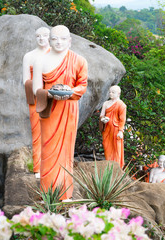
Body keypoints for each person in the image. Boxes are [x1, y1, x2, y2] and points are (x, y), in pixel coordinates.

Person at [33, 25, 88, 200]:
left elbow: (83, 85)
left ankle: (65, 193)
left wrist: (69, 92)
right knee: (48, 149)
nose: (59, 42)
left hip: (69, 109)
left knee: (66, 151)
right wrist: (50, 93)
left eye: (63, 38)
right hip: (49, 109)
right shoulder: (41, 60)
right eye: (55, 38)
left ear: (70, 41)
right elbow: (36, 89)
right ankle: (47, 193)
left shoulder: (79, 60)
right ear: (50, 40)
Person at [22, 27, 50, 178]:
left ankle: (52, 166)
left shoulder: (55, 54)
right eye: (38, 36)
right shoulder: (29, 56)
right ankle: (38, 167)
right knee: (37, 132)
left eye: (45, 35)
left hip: (52, 97)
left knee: (52, 131)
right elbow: (25, 79)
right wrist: (37, 89)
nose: (41, 38)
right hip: (35, 96)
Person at [100, 85, 127, 168]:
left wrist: (120, 131)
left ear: (118, 93)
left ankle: (117, 168)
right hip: (107, 128)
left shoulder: (121, 105)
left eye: (113, 92)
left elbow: (122, 119)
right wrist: (103, 119)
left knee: (116, 149)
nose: (111, 94)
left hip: (116, 129)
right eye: (110, 92)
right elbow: (101, 115)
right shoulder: (106, 103)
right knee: (106, 146)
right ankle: (108, 166)